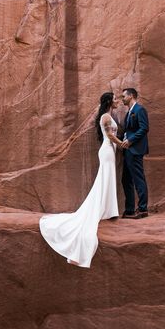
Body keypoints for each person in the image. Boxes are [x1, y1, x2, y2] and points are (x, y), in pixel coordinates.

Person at [39, 92, 122, 268]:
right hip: (107, 151)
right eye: (114, 99)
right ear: (109, 101)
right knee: (104, 179)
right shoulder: (106, 116)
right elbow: (109, 136)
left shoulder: (109, 115)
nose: (117, 101)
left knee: (107, 179)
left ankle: (107, 209)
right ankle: (104, 209)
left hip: (110, 151)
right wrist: (122, 143)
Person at [120, 87, 149, 219]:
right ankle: (130, 209)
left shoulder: (139, 110)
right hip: (127, 151)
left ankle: (142, 209)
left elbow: (144, 128)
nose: (122, 99)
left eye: (123, 96)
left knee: (138, 179)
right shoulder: (129, 112)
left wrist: (130, 140)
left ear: (131, 96)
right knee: (126, 179)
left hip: (135, 149)